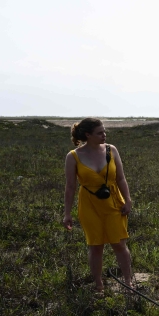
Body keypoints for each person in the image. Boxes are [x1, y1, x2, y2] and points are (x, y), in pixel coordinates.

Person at [63, 118, 134, 293]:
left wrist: (128, 200)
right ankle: (98, 285)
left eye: (104, 131)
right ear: (88, 135)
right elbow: (70, 186)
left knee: (119, 244)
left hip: (114, 202)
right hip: (89, 205)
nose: (104, 135)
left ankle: (129, 282)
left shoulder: (112, 150)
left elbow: (121, 178)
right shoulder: (73, 156)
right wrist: (67, 213)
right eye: (100, 132)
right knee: (95, 246)